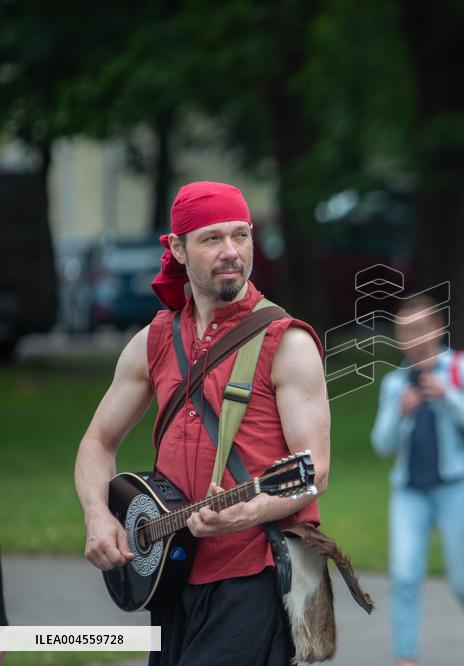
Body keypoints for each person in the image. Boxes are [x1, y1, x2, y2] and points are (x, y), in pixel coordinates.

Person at [74, 181, 330, 666]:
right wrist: (97, 515)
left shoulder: (287, 343)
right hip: (167, 578)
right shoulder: (154, 339)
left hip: (250, 578)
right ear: (177, 247)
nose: (231, 251)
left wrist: (247, 513)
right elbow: (98, 441)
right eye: (212, 239)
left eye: (241, 235)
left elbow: (313, 472)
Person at [371, 296, 464, 666]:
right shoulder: (395, 382)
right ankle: (406, 658)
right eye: (405, 333)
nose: (413, 339)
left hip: (456, 487)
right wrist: (400, 413)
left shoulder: (463, 368)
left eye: (420, 330)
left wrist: (447, 398)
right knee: (403, 575)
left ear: (437, 328)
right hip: (408, 491)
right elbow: (381, 445)